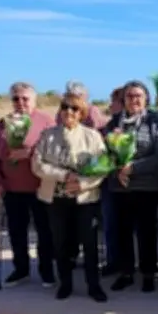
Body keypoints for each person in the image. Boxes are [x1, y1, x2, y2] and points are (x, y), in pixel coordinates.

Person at [32, 92, 107, 302]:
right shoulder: (48, 135)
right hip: (56, 198)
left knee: (89, 244)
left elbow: (102, 168)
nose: (69, 112)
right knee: (60, 243)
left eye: (74, 108)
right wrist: (64, 175)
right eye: (65, 107)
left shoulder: (92, 136)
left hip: (85, 198)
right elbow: (37, 165)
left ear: (82, 112)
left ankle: (94, 286)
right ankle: (65, 284)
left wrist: (82, 183)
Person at [0, 82, 56, 287]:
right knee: (17, 231)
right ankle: (21, 269)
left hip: (39, 187)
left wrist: (31, 153)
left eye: (25, 98)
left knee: (45, 231)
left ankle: (46, 271)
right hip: (11, 188)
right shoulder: (3, 123)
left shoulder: (46, 121)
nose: (20, 102)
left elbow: (54, 152)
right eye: (16, 98)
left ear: (34, 100)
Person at [106, 81, 158, 293]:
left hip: (147, 187)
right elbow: (105, 153)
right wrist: (118, 170)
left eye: (139, 95)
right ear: (123, 100)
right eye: (130, 96)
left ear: (146, 99)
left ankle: (148, 274)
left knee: (146, 232)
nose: (135, 100)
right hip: (120, 187)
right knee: (122, 232)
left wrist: (133, 168)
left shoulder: (154, 121)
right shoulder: (114, 122)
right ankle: (126, 273)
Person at [101, 87, 123, 276]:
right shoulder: (109, 125)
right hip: (111, 182)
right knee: (111, 225)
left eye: (113, 101)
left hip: (134, 181)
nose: (110, 105)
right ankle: (113, 261)